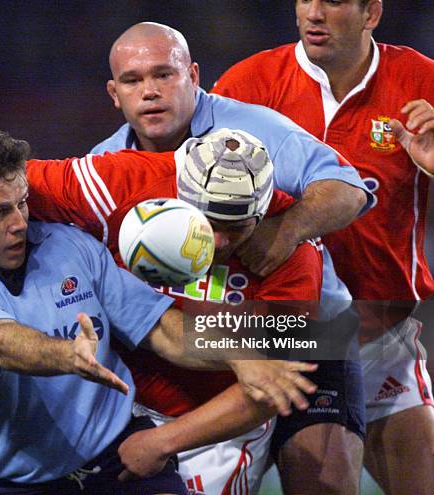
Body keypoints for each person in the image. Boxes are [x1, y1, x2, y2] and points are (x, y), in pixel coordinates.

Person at [0, 127, 332, 494]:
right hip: (22, 483)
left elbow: (162, 328)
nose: (20, 222)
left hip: (122, 456)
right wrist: (65, 355)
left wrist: (241, 353)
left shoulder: (68, 244)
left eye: (23, 203)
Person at [90, 22, 371, 493]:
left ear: (194, 75)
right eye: (134, 81)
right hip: (202, 342)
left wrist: (283, 231)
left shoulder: (251, 130)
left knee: (322, 482)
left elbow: (348, 189)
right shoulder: (104, 167)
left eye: (164, 74)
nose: (151, 92)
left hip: (304, 330)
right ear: (114, 93)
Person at [211, 1, 434, 494]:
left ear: (370, 12)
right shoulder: (247, 85)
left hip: (378, 334)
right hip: (267, 336)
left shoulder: (422, 83)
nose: (313, 13)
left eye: (332, 0)